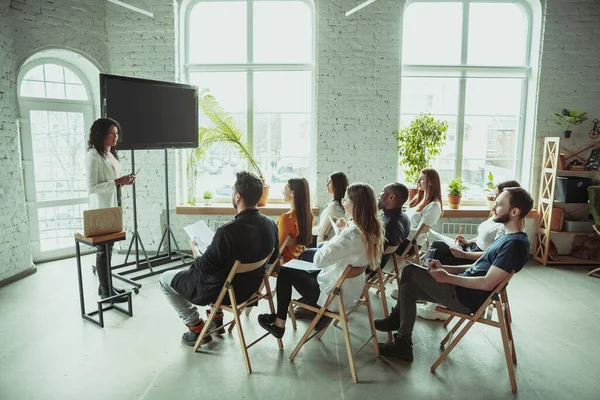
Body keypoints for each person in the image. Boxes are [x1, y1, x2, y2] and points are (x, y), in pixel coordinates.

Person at [374, 187, 533, 361]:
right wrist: (445, 268)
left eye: (499, 204)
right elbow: (477, 266)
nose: (493, 208)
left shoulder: (515, 245)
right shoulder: (507, 237)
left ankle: (397, 323)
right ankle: (402, 342)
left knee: (409, 271)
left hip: (465, 297)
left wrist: (447, 277)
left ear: (515, 211)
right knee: (408, 289)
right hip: (462, 289)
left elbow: (487, 283)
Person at [159, 171, 279, 346]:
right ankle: (216, 317)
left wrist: (195, 249)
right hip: (249, 291)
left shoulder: (227, 232)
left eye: (232, 191)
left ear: (238, 196)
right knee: (221, 269)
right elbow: (273, 258)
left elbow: (203, 267)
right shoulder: (270, 224)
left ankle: (196, 325)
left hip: (223, 292)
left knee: (164, 280)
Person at [257, 183, 385, 339]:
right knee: (302, 267)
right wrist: (342, 232)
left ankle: (279, 323)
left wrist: (337, 236)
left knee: (285, 271)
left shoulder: (351, 234)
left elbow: (319, 260)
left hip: (334, 297)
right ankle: (311, 316)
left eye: (345, 200)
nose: (343, 203)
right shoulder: (372, 229)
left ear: (355, 205)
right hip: (351, 292)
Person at [85, 118, 135, 302]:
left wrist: (123, 181)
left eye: (116, 133)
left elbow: (113, 182)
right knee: (103, 251)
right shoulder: (93, 156)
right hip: (102, 210)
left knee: (109, 250)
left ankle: (105, 287)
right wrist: (117, 182)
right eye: (111, 133)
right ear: (101, 135)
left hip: (113, 206)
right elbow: (92, 188)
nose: (116, 137)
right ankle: (107, 293)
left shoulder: (109, 154)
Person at [428, 180, 521, 266]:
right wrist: (468, 242)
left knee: (437, 255)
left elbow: (493, 253)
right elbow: (483, 237)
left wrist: (464, 255)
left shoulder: (504, 226)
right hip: (471, 248)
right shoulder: (496, 216)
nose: (494, 198)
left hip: (475, 257)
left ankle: (422, 273)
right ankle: (421, 272)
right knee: (436, 245)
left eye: (497, 195)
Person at [390, 168, 443, 300]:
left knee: (377, 244)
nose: (418, 181)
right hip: (402, 237)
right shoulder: (418, 198)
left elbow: (420, 231)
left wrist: (397, 230)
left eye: (422, 178)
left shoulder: (434, 206)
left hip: (409, 242)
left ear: (431, 182)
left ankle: (369, 274)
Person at [276, 178, 314, 264]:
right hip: (296, 262)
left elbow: (276, 249)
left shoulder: (286, 219)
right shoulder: (309, 216)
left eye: (285, 189)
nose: (283, 192)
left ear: (292, 193)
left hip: (282, 265)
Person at [377, 183, 411, 271]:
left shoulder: (387, 225)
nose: (379, 194)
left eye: (382, 191)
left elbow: (375, 257)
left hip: (370, 269)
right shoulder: (404, 217)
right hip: (380, 265)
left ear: (391, 197)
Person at [312, 172, 349, 243]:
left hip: (325, 245)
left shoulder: (333, 206)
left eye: (329, 182)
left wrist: (306, 230)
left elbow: (321, 230)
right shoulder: (340, 204)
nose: (326, 185)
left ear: (337, 185)